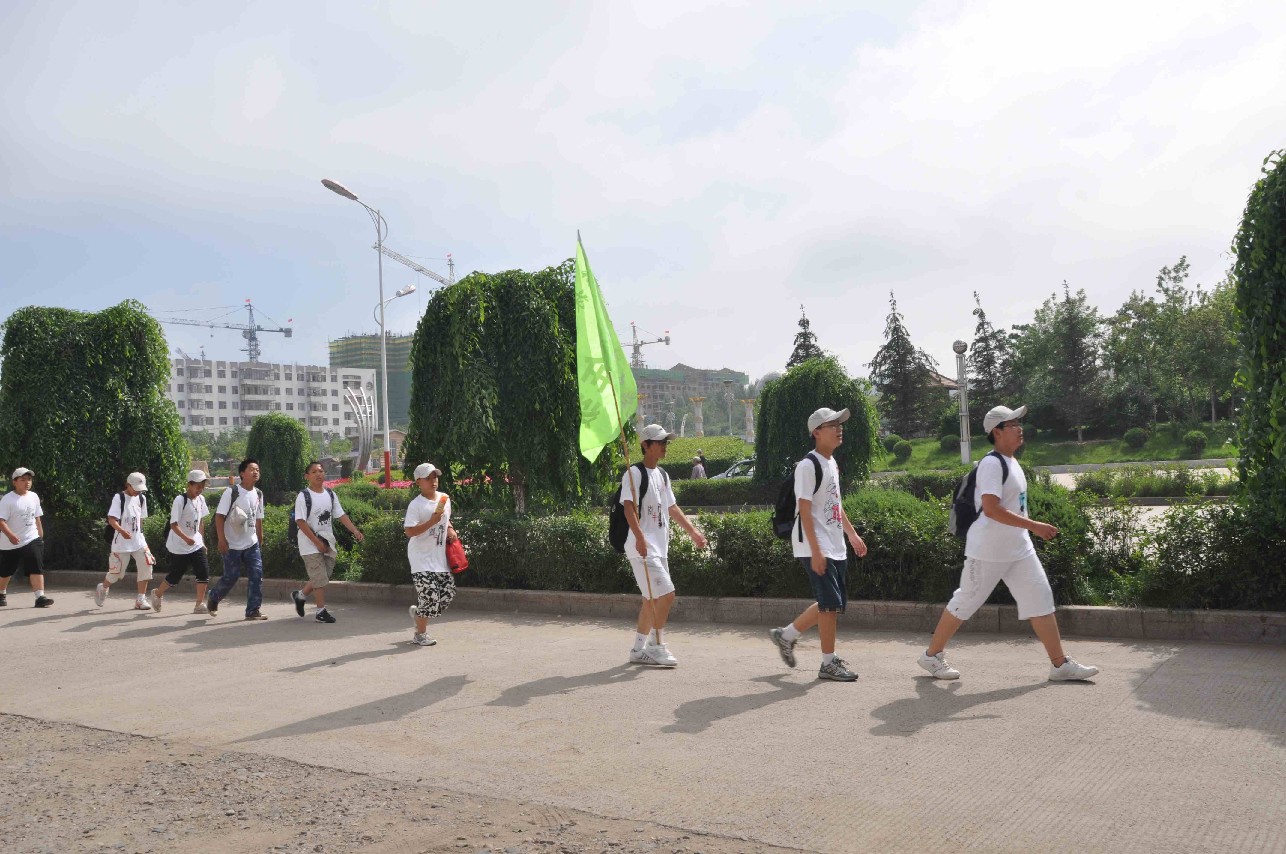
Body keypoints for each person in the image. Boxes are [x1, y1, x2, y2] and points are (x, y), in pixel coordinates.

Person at [917, 404, 1100, 682]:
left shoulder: (1012, 462)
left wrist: (1028, 530)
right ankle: (932, 656)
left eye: (1018, 422)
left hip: (1019, 549)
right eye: (1012, 424)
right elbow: (991, 509)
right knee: (965, 601)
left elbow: (1014, 507)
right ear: (997, 432)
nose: (1019, 428)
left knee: (1040, 599)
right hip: (988, 550)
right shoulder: (992, 464)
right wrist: (1035, 526)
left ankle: (1060, 664)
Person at [769, 408, 868, 681]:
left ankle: (785, 636)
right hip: (814, 544)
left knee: (831, 603)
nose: (839, 428)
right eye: (832, 424)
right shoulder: (807, 466)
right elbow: (804, 509)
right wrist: (816, 550)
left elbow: (835, 505)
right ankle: (828, 663)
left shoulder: (831, 463)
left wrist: (851, 534)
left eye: (840, 424)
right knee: (829, 605)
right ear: (816, 432)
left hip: (834, 542)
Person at [623, 424, 707, 667]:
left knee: (651, 600)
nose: (664, 446)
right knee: (667, 595)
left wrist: (693, 532)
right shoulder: (634, 474)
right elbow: (628, 507)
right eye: (659, 442)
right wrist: (639, 537)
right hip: (642, 548)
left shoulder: (663, 475)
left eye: (665, 442)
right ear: (645, 445)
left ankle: (638, 650)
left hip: (659, 547)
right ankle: (656, 645)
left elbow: (671, 507)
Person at [291, 461, 364, 624]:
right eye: (314, 471)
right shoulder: (303, 496)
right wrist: (316, 542)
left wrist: (355, 531)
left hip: (327, 542)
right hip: (309, 544)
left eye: (321, 471)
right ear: (307, 476)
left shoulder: (330, 494)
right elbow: (300, 522)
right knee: (319, 577)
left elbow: (340, 515)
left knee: (322, 577)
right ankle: (320, 611)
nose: (319, 474)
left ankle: (300, 595)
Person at [208, 459, 267, 621]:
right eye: (251, 469)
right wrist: (222, 540)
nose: (256, 472)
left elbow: (258, 518)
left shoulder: (259, 493)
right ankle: (214, 596)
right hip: (231, 543)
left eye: (257, 469)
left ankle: (253, 610)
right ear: (242, 473)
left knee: (256, 574)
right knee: (231, 576)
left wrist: (260, 538)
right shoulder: (232, 492)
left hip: (251, 543)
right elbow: (220, 517)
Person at [404, 462, 456, 646]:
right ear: (418, 481)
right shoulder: (415, 505)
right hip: (420, 558)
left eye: (435, 476)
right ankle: (420, 634)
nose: (433, 480)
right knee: (430, 597)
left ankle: (419, 614)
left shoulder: (444, 498)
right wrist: (432, 522)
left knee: (447, 594)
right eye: (428, 477)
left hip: (439, 558)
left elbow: (446, 519)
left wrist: (450, 529)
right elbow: (409, 531)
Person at [149, 470, 211, 613]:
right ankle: (157, 594)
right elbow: (173, 524)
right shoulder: (180, 500)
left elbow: (201, 521)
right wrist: (186, 538)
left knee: (203, 571)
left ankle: (199, 604)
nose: (200, 489)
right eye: (197, 486)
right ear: (189, 484)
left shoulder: (201, 500)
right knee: (175, 575)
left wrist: (201, 541)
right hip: (179, 544)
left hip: (195, 543)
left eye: (202, 486)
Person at [95, 472, 155, 610]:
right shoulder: (119, 497)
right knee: (116, 574)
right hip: (121, 542)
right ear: (128, 485)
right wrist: (122, 531)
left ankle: (140, 599)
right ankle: (103, 588)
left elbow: (141, 519)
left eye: (140, 489)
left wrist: (140, 534)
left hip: (138, 541)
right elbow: (111, 519)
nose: (138, 491)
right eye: (135, 488)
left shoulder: (141, 498)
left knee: (146, 565)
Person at [0, 468, 52, 608]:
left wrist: (40, 535)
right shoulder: (7, 500)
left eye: (29, 479)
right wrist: (10, 535)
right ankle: (1, 593)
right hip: (10, 543)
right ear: (14, 482)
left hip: (31, 538)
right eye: (23, 480)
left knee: (36, 564)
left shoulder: (33, 496)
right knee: (6, 571)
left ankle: (40, 597)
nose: (27, 482)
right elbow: (1, 521)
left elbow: (37, 516)